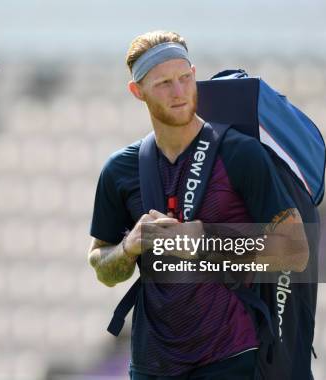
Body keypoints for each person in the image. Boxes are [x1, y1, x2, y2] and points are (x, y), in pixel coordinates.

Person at [88, 31, 309, 379]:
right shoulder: (120, 169)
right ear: (137, 91)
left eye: (185, 78)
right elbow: (101, 264)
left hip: (233, 357)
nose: (178, 92)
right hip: (152, 365)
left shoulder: (239, 154)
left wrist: (205, 240)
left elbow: (295, 250)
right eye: (163, 83)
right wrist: (130, 246)